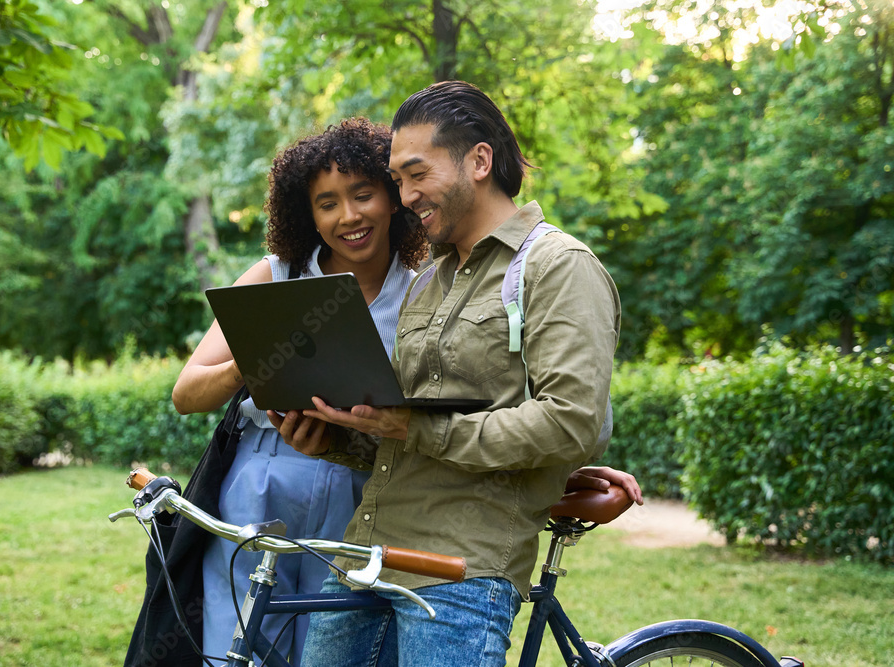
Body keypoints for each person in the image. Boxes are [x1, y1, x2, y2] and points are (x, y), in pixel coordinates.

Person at [268, 81, 642, 666]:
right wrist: (334, 437)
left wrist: (417, 430)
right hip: (365, 556)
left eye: (417, 174)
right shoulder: (428, 279)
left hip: (461, 572)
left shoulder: (557, 267)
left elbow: (572, 424)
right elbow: (407, 436)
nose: (406, 195)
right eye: (398, 180)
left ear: (480, 161)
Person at [171, 117, 428, 665]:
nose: (349, 216)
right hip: (260, 482)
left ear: (394, 198)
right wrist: (254, 357)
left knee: (333, 649)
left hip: (363, 491)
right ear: (306, 214)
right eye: (327, 203)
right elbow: (187, 393)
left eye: (363, 195)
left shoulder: (426, 290)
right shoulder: (276, 275)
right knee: (239, 647)